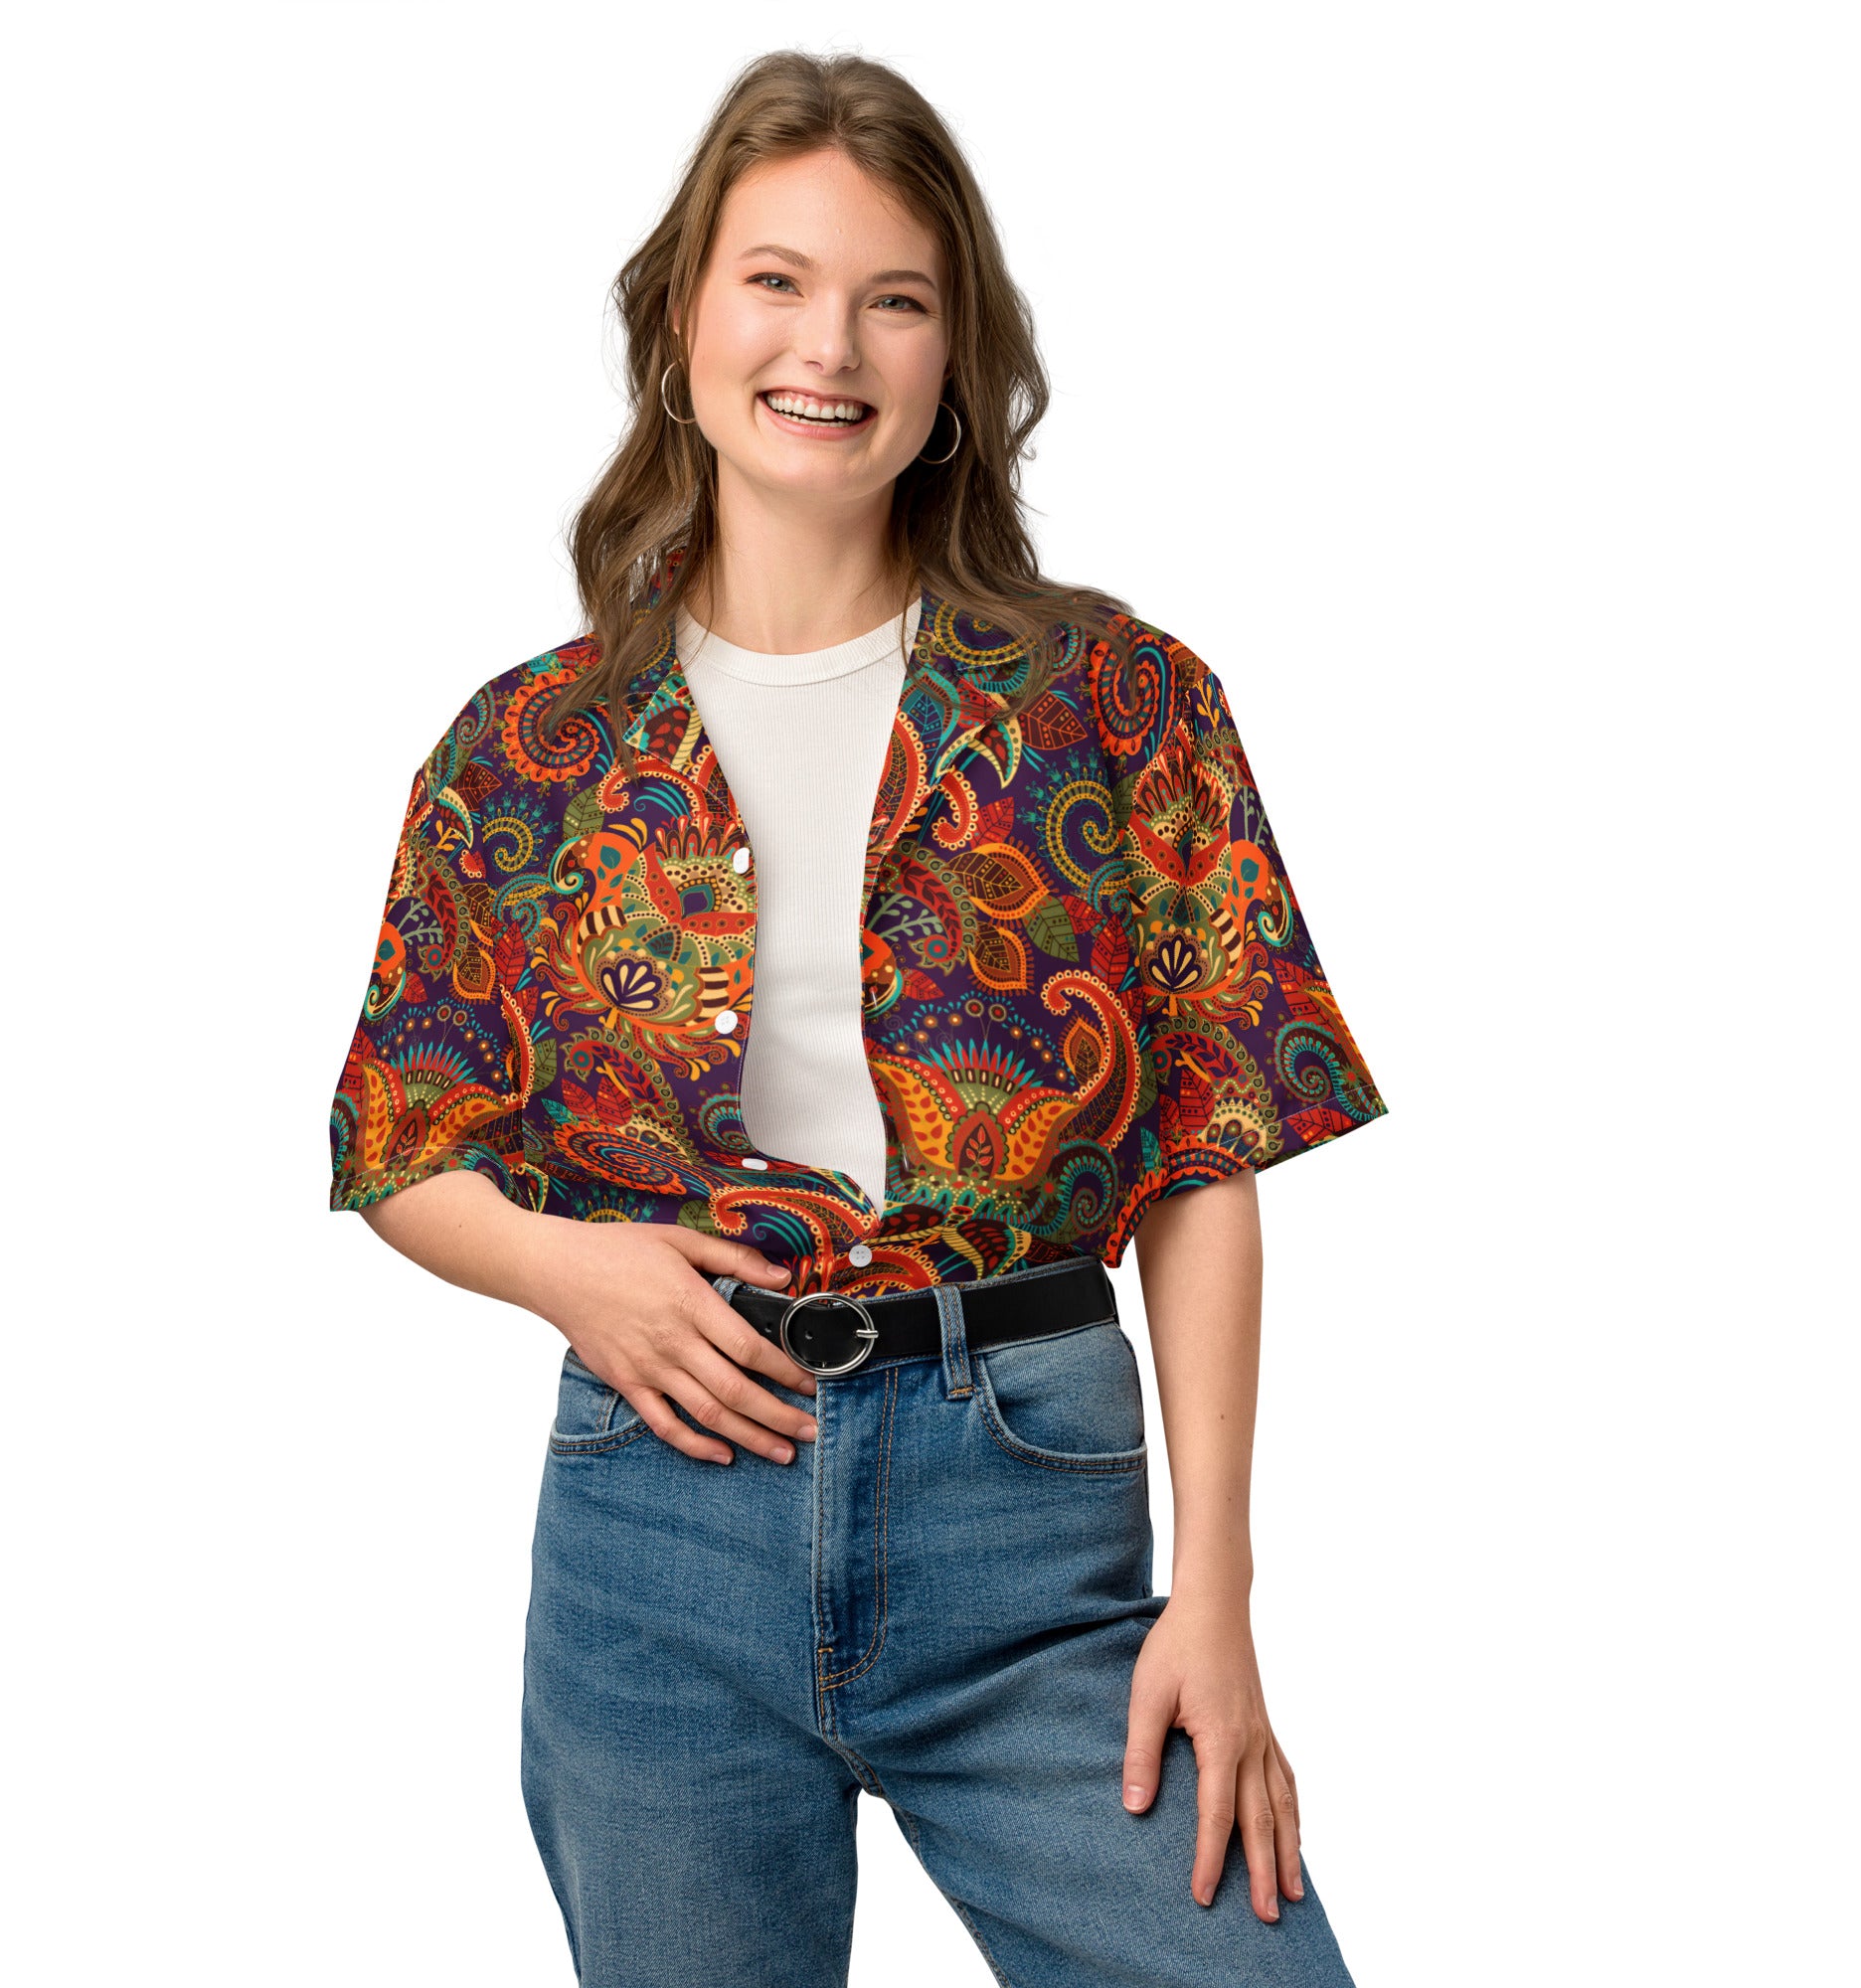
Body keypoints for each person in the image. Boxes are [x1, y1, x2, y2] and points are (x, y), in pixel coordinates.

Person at [326, 49, 1385, 1988]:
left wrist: (1214, 1590)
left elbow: (1208, 1151)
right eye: (777, 280)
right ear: (679, 320)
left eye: (896, 296)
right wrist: (578, 1276)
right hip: (660, 1520)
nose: (833, 343)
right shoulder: (530, 753)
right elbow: (404, 1143)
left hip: (1028, 1523)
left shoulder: (1114, 701)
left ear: (956, 354)